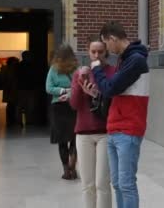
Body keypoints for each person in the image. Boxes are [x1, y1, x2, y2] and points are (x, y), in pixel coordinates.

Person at [90, 21, 149, 208]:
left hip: (128, 130)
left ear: (113, 38)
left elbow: (110, 88)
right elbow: (115, 92)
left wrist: (97, 69)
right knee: (117, 184)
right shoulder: (124, 59)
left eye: (105, 44)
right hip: (115, 128)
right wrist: (97, 93)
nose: (105, 49)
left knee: (126, 184)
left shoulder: (136, 60)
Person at [70, 36, 114, 208]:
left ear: (106, 53)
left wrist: (96, 95)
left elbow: (114, 102)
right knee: (87, 184)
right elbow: (74, 104)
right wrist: (81, 87)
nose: (96, 55)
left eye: (100, 52)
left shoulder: (111, 72)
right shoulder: (80, 73)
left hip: (105, 132)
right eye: (93, 51)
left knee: (102, 183)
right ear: (88, 52)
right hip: (83, 132)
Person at [46, 44, 78, 180]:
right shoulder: (77, 69)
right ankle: (72, 166)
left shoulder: (53, 69)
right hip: (73, 106)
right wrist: (68, 91)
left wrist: (60, 90)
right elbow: (79, 87)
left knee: (62, 140)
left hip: (58, 107)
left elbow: (49, 88)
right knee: (75, 138)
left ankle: (66, 170)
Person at [1, 57, 20, 126]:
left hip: (10, 89)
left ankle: (11, 119)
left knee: (11, 104)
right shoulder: (10, 69)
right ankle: (11, 119)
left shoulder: (6, 69)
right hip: (11, 89)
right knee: (12, 104)